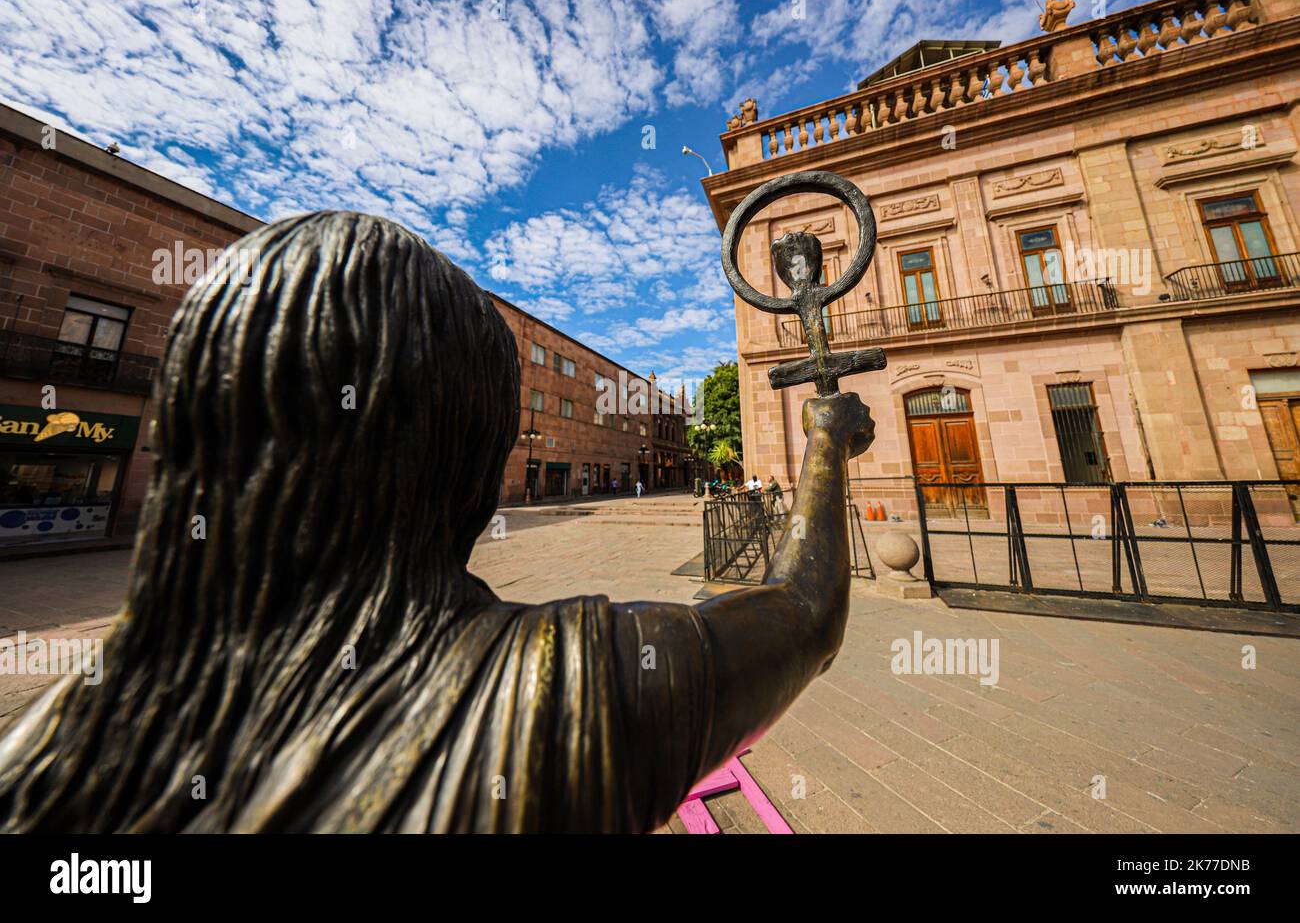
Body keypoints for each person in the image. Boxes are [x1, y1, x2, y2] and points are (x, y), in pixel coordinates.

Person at [0, 212, 873, 834]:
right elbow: (805, 613)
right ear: (464, 456)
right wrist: (826, 445)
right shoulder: (574, 686)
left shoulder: (43, 744)